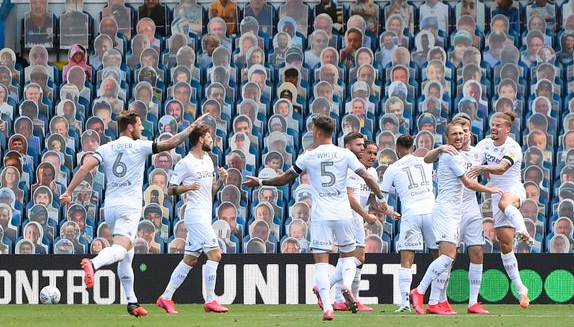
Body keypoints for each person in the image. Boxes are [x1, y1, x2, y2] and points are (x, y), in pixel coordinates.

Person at [60, 111, 209, 317]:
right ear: (130, 127)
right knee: (121, 249)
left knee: (127, 256)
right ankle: (93, 264)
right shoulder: (140, 146)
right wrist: (191, 128)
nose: (141, 128)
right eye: (139, 125)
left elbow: (85, 168)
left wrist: (68, 191)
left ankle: (132, 302)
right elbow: (171, 143)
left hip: (110, 207)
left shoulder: (105, 148)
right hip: (128, 207)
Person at [243, 115, 388, 321]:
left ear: (318, 132)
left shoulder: (308, 156)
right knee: (348, 255)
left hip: (321, 216)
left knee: (321, 263)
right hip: (343, 214)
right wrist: (381, 198)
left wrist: (260, 182)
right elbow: (367, 176)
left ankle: (327, 307)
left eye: (312, 130)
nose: (311, 132)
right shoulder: (344, 154)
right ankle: (346, 286)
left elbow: (285, 179)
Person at [409, 121, 501, 315]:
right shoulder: (451, 155)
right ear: (447, 138)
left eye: (461, 133)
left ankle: (434, 302)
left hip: (454, 211)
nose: (459, 137)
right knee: (448, 256)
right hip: (445, 211)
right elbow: (468, 183)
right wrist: (489, 189)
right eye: (455, 134)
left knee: (449, 256)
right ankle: (419, 291)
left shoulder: (456, 154)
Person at [156, 124, 229, 314]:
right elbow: (170, 189)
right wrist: (187, 187)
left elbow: (211, 191)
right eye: (209, 137)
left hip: (204, 214)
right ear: (200, 140)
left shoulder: (208, 160)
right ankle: (210, 300)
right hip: (195, 216)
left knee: (189, 260)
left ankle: (165, 297)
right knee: (216, 255)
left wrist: (221, 179)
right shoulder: (185, 163)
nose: (212, 140)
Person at [465, 112, 533, 307]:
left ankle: (523, 231)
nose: (493, 128)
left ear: (507, 129)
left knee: (506, 203)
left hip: (512, 189)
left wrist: (482, 169)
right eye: (492, 124)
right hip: (496, 193)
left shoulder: (513, 147)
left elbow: (502, 168)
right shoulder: (485, 144)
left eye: (498, 125)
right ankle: (521, 289)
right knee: (505, 244)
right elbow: (472, 157)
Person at [333, 135, 398, 312]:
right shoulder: (352, 170)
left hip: (357, 217)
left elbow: (372, 201)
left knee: (352, 259)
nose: (371, 156)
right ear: (360, 153)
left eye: (375, 153)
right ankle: (336, 291)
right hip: (349, 216)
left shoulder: (372, 174)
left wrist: (389, 212)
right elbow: (349, 198)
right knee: (357, 258)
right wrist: (366, 216)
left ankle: (344, 298)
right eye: (368, 151)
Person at [380, 135, 437, 312]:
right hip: (432, 213)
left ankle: (405, 303)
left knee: (407, 259)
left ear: (397, 149)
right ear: (412, 147)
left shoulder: (393, 168)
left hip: (411, 214)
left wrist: (388, 211)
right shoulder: (426, 162)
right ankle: (435, 301)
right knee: (440, 257)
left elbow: (381, 198)